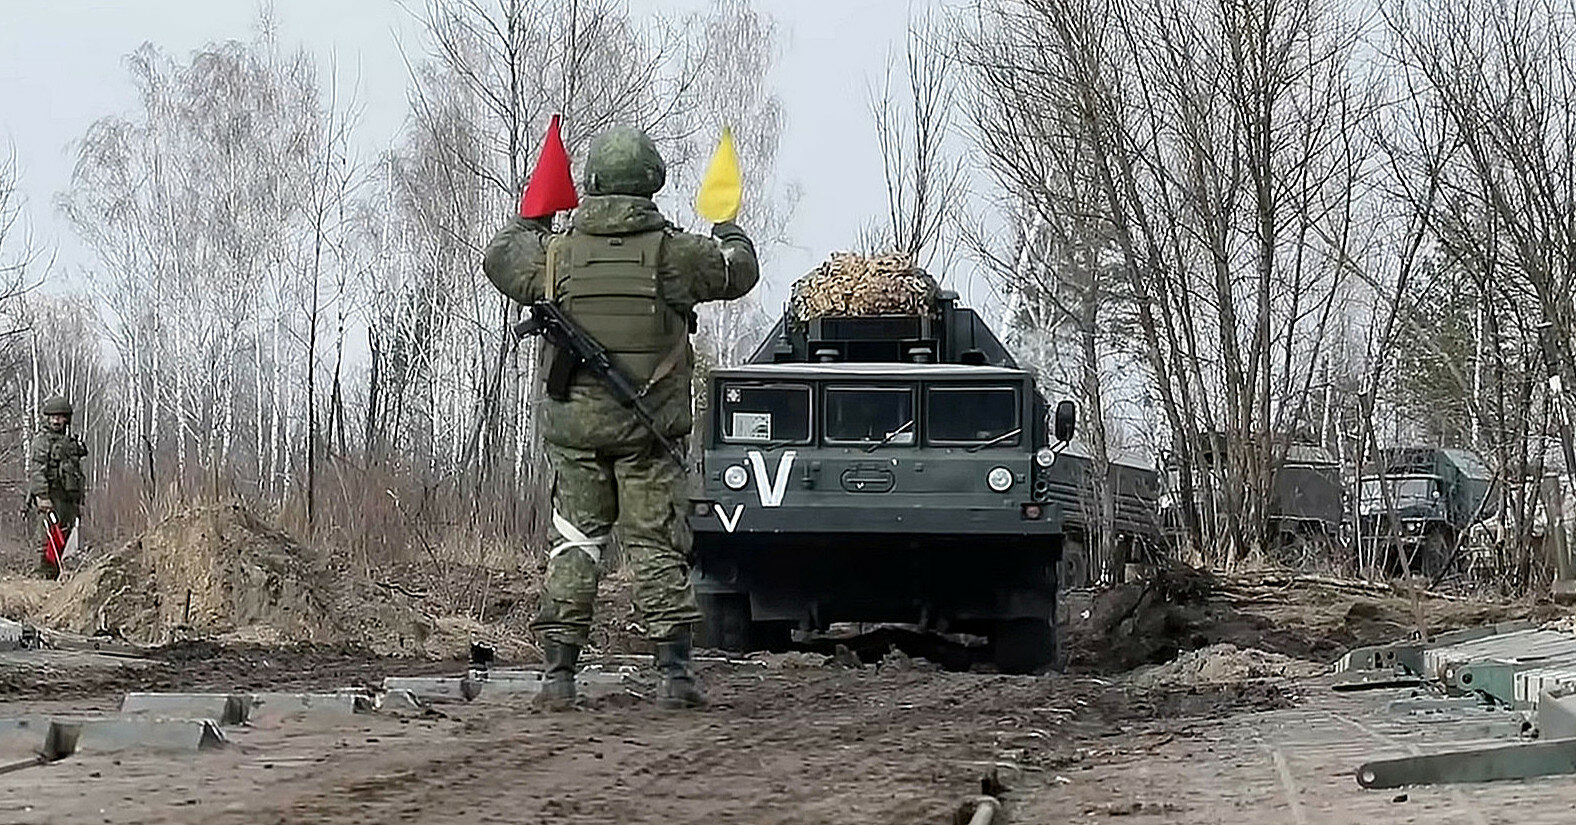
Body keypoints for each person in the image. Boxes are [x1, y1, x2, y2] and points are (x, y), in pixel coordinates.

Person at [482, 124, 760, 709]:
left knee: (576, 542)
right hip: (648, 432)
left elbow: (501, 258)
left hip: (576, 432)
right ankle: (675, 676)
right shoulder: (678, 255)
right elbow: (739, 271)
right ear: (652, 182)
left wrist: (536, 214)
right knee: (656, 544)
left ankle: (558, 676)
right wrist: (727, 221)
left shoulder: (557, 254)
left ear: (596, 182)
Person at [27, 395, 88, 580]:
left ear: (66, 419)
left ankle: (58, 575)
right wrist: (42, 496)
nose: (56, 420)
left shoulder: (69, 442)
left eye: (60, 417)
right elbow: (37, 469)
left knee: (66, 538)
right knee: (46, 540)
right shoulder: (42, 441)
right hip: (50, 497)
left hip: (68, 500)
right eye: (53, 417)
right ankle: (41, 576)